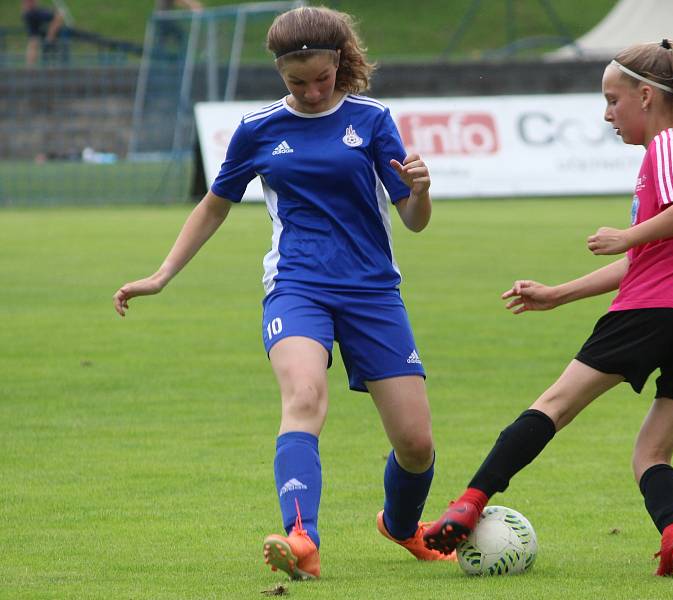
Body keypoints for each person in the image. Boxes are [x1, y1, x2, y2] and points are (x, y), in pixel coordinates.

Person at [113, 5, 454, 582]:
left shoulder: (371, 120)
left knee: (416, 444)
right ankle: (303, 538)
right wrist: (162, 273)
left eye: (322, 78)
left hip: (372, 292)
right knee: (303, 397)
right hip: (297, 286)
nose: (313, 91)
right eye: (298, 82)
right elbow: (214, 205)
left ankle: (400, 526)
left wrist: (420, 191)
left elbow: (414, 220)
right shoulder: (259, 128)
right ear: (278, 71)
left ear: (339, 62)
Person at [423, 38, 673, 578]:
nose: (607, 113)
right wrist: (557, 294)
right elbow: (653, 255)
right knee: (652, 453)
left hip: (657, 309)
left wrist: (625, 235)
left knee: (554, 404)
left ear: (646, 96)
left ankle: (468, 503)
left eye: (613, 100)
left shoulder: (666, 148)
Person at [21, 0, 65, 66]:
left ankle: (31, 65)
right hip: (31, 13)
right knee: (34, 41)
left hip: (31, 13)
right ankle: (49, 38)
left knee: (33, 40)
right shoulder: (33, 12)